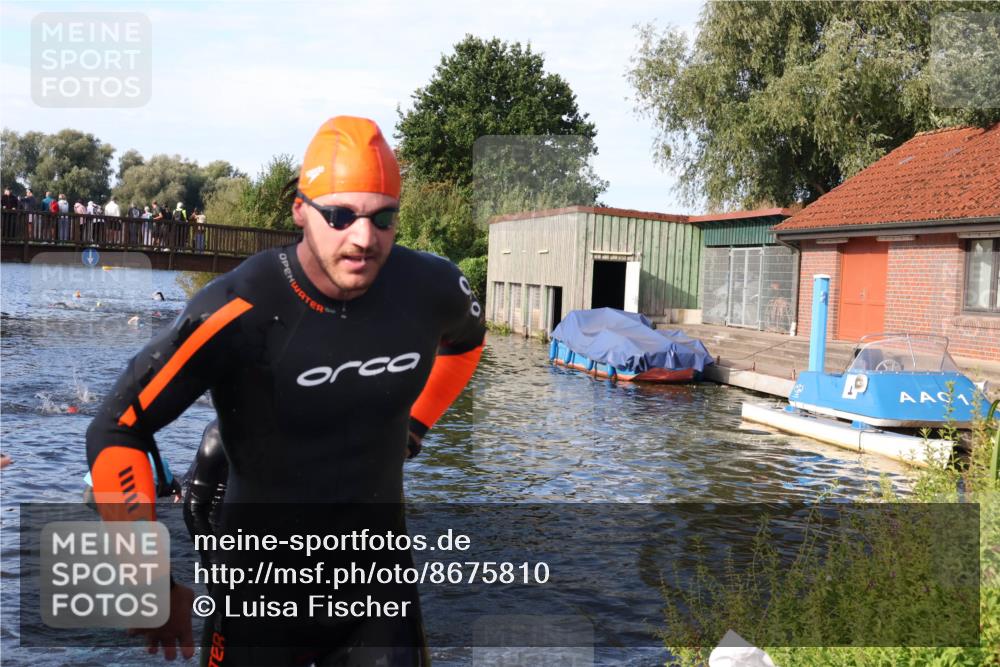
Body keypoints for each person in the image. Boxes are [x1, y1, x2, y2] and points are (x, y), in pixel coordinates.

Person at [85, 116, 486, 665]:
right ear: (300, 210)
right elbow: (117, 426)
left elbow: (466, 344)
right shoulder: (238, 307)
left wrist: (415, 426)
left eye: (382, 218)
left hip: (377, 597)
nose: (364, 238)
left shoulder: (431, 287)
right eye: (340, 216)